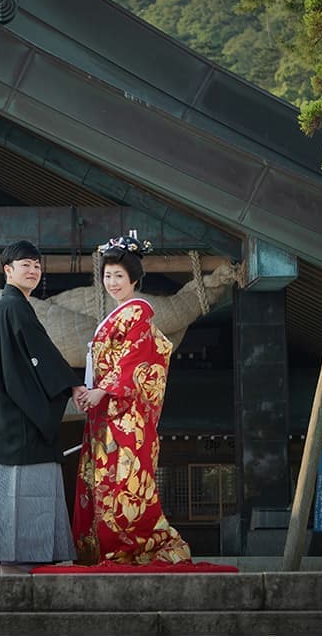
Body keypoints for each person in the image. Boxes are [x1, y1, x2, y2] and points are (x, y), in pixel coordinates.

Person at [0, 240, 86, 575]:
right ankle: (15, 564)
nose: (32, 271)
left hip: (8, 419)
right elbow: (40, 353)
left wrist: (65, 381)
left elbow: (37, 352)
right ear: (8, 271)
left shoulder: (12, 305)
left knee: (0, 499)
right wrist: (71, 384)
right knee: (20, 499)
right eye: (24, 265)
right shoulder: (14, 306)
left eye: (36, 265)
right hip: (20, 421)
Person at [71, 234, 192, 566]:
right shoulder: (116, 317)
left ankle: (131, 547)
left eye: (118, 277)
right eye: (107, 276)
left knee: (125, 480)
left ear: (134, 280)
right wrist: (86, 388)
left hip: (125, 416)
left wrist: (103, 389)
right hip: (107, 411)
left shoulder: (137, 312)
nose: (112, 282)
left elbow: (135, 360)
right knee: (104, 478)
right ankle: (105, 549)